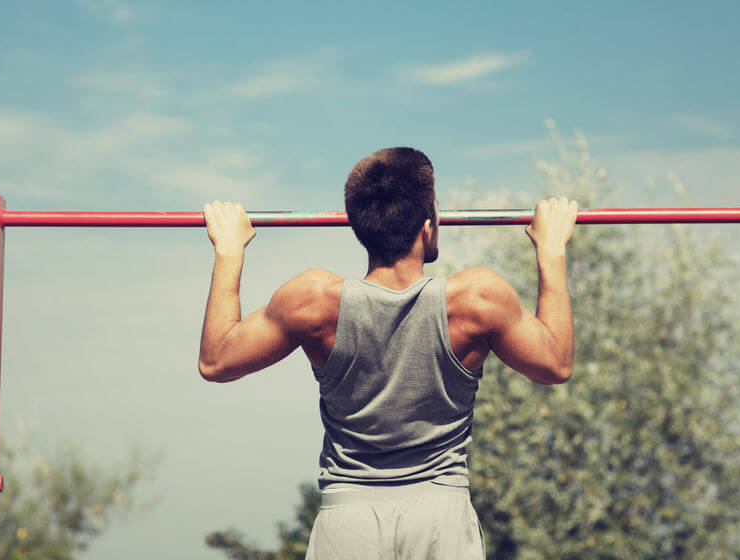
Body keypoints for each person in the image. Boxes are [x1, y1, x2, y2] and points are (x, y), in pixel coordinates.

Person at [198, 147, 577, 559]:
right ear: (428, 227)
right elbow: (555, 363)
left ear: (361, 227)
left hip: (348, 517)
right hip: (440, 516)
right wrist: (552, 251)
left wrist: (229, 251)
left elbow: (216, 360)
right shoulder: (478, 299)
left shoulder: (313, 300)